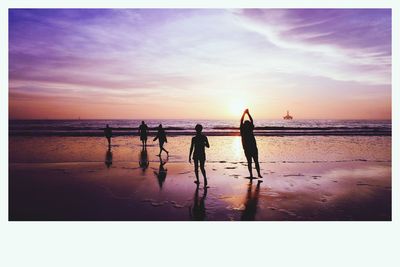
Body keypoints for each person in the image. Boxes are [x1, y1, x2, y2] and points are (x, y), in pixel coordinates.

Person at [240, 109, 262, 178]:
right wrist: (247, 113)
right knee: (255, 162)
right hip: (251, 148)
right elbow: (251, 121)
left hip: (249, 148)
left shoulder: (243, 130)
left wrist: (244, 113)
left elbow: (241, 121)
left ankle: (254, 174)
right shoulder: (248, 130)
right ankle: (256, 174)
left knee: (251, 162)